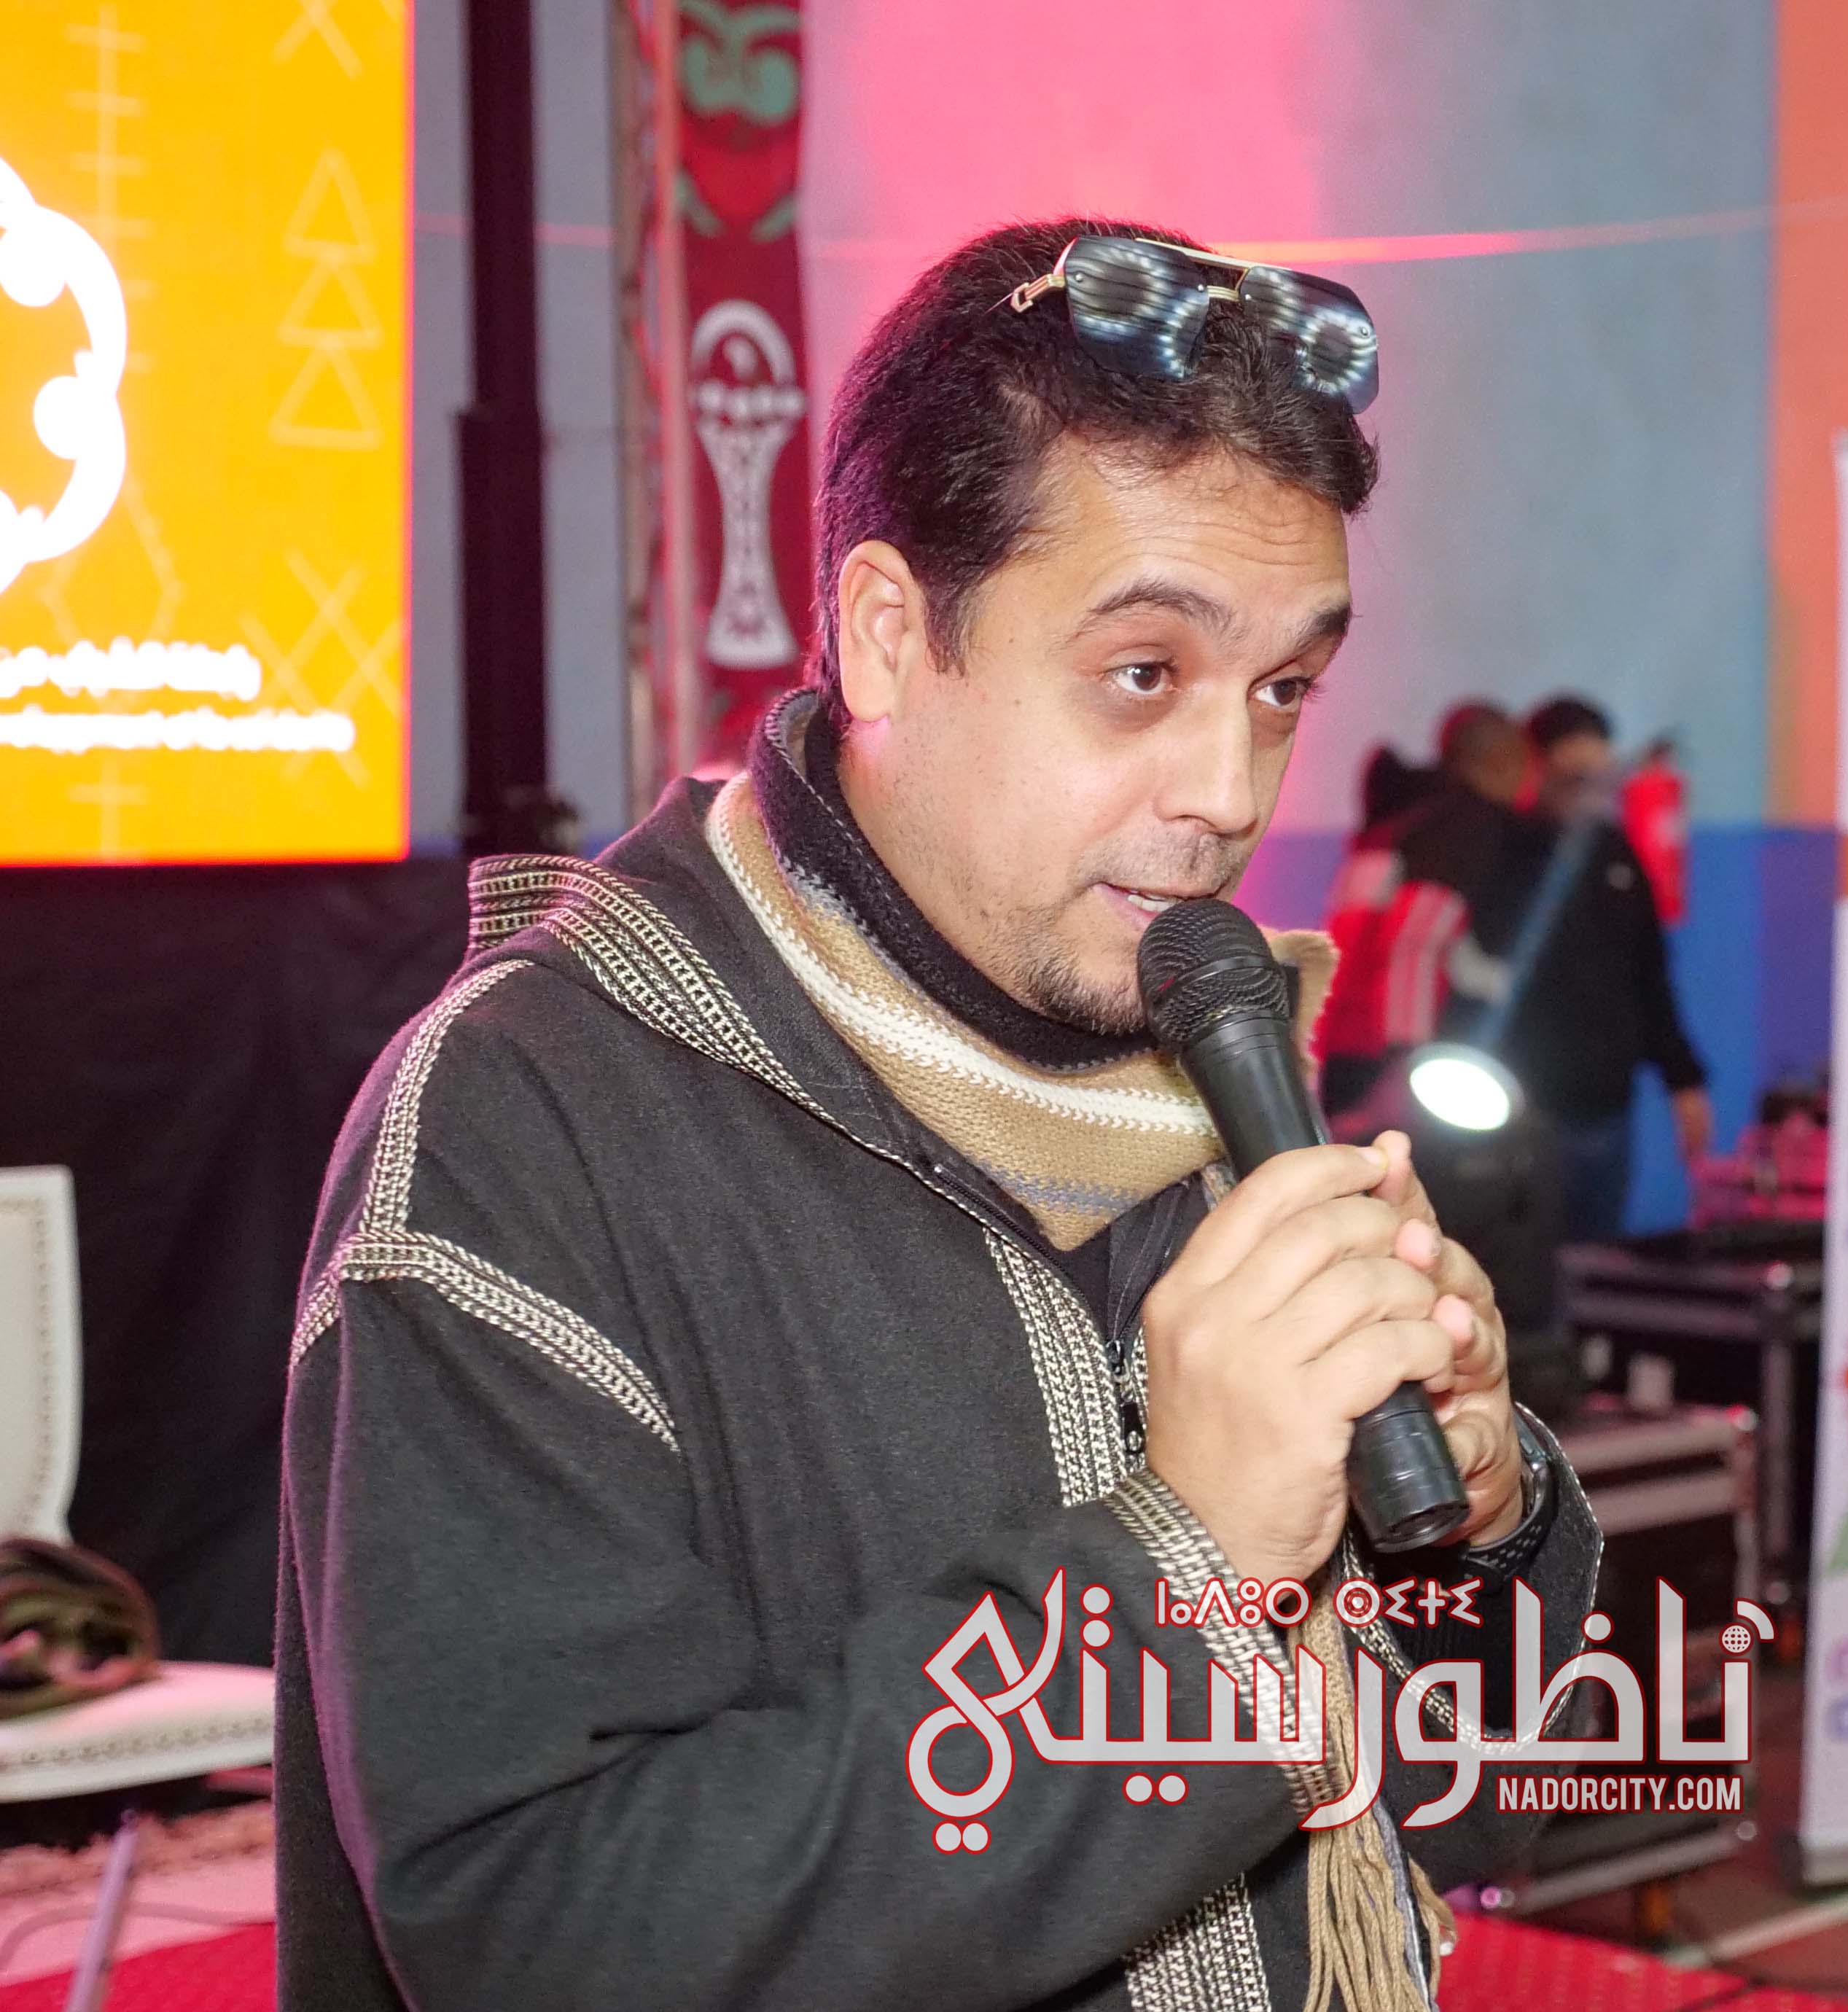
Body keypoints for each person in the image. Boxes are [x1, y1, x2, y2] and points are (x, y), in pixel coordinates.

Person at [276, 217, 1599, 2012]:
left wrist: (1485, 1524)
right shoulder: (532, 1122)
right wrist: (1190, 1571)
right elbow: (538, 1939)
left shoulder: (1229, 1087)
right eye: (1144, 673)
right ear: (891, 636)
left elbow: (1474, 1806)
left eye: (1282, 687)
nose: (1228, 791)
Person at [1499, 695, 1711, 1241]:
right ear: (1539, 769)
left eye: (1599, 777)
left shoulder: (1616, 853)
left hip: (1608, 1113)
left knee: (1597, 1262)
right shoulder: (1508, 852)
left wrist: (1684, 1082)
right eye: (1574, 777)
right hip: (1526, 1113)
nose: (1589, 792)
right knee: (1525, 1266)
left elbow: (1650, 975)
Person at [1318, 702, 1548, 1118]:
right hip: (1391, 1061)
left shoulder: (1399, 818)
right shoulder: (1463, 824)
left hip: (1344, 1043)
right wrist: (1408, 1061)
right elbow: (1415, 942)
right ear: (1502, 761)